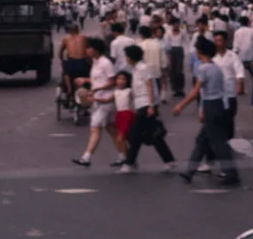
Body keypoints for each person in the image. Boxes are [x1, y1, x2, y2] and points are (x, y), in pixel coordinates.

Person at [175, 37, 240, 186]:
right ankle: (189, 172)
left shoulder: (204, 69)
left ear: (200, 52)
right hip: (218, 105)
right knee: (202, 140)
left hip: (211, 106)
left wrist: (181, 105)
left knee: (218, 142)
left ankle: (231, 173)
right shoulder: (216, 67)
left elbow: (196, 92)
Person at [120, 45, 177, 173]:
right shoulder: (134, 70)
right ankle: (169, 160)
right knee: (154, 136)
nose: (126, 59)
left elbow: (150, 86)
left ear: (131, 57)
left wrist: (151, 105)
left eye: (127, 56)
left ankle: (129, 163)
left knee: (134, 135)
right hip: (141, 104)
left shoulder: (143, 68)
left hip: (146, 105)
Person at [72, 38, 126, 168]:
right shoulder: (95, 62)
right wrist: (85, 80)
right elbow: (98, 79)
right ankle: (125, 155)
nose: (86, 50)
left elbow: (113, 81)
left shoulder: (105, 63)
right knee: (111, 128)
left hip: (106, 100)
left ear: (95, 49)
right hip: (97, 100)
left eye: (89, 47)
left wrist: (97, 89)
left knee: (95, 127)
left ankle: (86, 157)